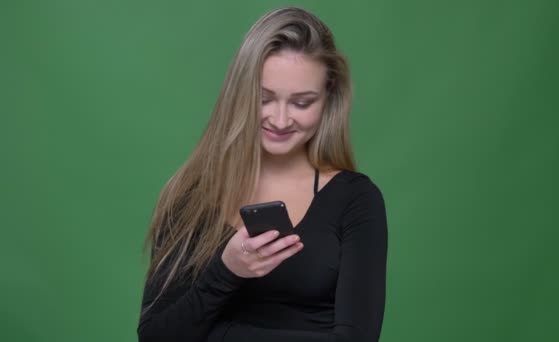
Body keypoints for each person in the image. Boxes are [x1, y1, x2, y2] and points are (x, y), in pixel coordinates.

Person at [137, 6, 388, 342]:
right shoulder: (190, 196)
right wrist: (227, 272)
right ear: (239, 95)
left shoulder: (356, 199)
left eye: (302, 102)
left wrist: (219, 334)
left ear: (328, 99)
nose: (281, 120)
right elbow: (155, 336)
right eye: (265, 98)